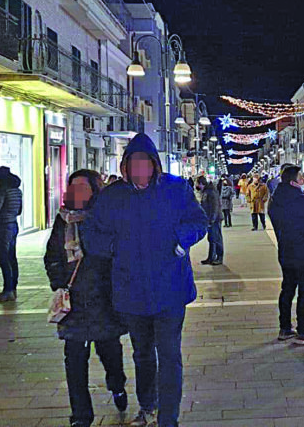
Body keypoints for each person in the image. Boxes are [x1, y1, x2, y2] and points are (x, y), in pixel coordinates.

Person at [82, 134, 207, 427]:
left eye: (144, 163)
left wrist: (182, 239)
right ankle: (148, 405)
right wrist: (112, 248)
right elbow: (91, 234)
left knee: (169, 355)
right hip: (131, 291)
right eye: (133, 163)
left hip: (171, 289)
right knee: (142, 354)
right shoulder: (112, 197)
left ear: (154, 165)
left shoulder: (176, 189)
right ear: (125, 166)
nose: (139, 170)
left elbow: (199, 221)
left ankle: (168, 418)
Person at [44, 170, 128, 427]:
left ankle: (117, 385)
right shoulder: (62, 220)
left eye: (82, 187)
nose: (76, 192)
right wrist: (59, 283)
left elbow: (118, 254)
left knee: (110, 352)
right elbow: (52, 256)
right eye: (73, 187)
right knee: (74, 362)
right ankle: (81, 416)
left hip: (103, 301)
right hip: (74, 303)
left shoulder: (105, 219)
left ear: (94, 190)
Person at [268, 165, 304, 346]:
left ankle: (285, 327)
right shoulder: (301, 200)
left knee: (288, 289)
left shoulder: (276, 200)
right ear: (293, 182)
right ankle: (303, 330)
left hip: (287, 251)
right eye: (301, 179)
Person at [0, 166, 23, 303]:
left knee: (3, 259)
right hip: (13, 225)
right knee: (11, 258)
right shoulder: (17, 191)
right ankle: (13, 289)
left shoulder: (1, 190)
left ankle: (7, 290)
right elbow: (19, 210)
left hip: (3, 227)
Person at [198, 176, 224, 266]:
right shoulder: (206, 191)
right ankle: (211, 257)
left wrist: (212, 219)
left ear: (202, 184)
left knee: (216, 238)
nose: (198, 186)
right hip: (210, 219)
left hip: (215, 219)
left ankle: (219, 257)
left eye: (198, 184)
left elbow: (215, 206)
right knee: (211, 239)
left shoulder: (211, 192)